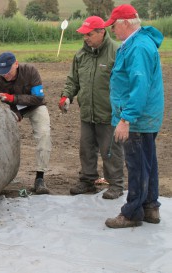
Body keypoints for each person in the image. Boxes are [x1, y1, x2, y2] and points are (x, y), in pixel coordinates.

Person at [103, 4, 164, 228]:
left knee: (137, 165)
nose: (113, 31)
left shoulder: (138, 47)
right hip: (145, 116)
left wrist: (126, 118)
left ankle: (131, 213)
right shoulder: (137, 43)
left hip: (137, 117)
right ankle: (151, 207)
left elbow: (139, 85)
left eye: (115, 26)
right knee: (148, 162)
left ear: (126, 23)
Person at [58, 16, 124, 199]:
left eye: (89, 34)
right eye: (84, 35)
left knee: (110, 150)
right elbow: (73, 80)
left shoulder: (116, 52)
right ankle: (87, 181)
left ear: (102, 32)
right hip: (87, 112)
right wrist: (66, 96)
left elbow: (125, 83)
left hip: (109, 113)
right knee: (86, 149)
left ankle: (116, 185)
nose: (85, 38)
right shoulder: (81, 55)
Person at [0, 52, 51, 194]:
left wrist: (13, 98)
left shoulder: (31, 71)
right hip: (16, 110)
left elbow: (38, 98)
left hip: (36, 107)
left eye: (8, 71)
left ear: (16, 64)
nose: (5, 75)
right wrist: (16, 112)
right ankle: (6, 174)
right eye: (2, 72)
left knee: (44, 135)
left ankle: (40, 178)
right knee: (3, 136)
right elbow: (8, 106)